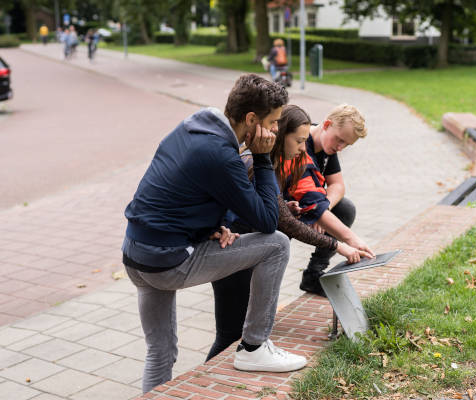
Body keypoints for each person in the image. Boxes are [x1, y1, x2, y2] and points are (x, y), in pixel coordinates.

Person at [122, 74, 307, 393]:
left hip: (135, 255)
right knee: (275, 245)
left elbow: (183, 190)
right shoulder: (222, 155)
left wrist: (211, 226)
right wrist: (263, 158)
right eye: (274, 122)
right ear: (251, 119)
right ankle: (254, 348)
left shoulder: (197, 122)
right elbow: (266, 221)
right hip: (168, 263)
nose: (276, 130)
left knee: (161, 352)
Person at [207, 104, 372, 361]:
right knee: (230, 334)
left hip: (249, 247)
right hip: (233, 248)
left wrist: (290, 208)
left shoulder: (274, 163)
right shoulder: (257, 164)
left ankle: (246, 356)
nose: (305, 149)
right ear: (281, 134)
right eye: (299, 141)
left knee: (237, 331)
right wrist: (340, 244)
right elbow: (283, 222)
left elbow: (277, 212)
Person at [290, 104, 371, 296]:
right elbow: (308, 198)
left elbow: (338, 186)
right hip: (285, 207)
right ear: (326, 124)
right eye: (340, 140)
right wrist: (319, 213)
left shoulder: (328, 147)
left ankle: (313, 274)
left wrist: (323, 208)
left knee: (345, 209)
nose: (340, 148)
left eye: (346, 145)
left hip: (308, 203)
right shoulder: (300, 144)